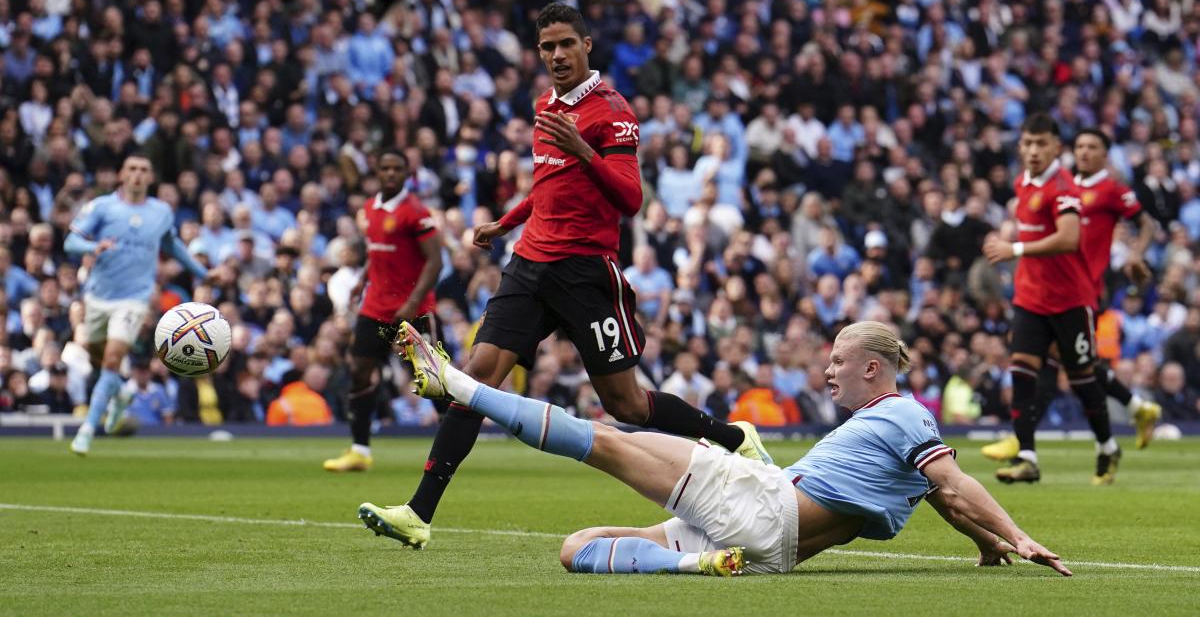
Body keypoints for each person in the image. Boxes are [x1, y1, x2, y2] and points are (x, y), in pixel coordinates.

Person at [364, 3, 771, 550]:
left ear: (587, 46)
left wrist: (584, 149)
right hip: (530, 264)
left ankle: (732, 436)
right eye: (547, 47)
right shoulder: (545, 106)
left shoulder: (613, 112)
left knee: (625, 406)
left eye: (565, 45)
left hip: (585, 274)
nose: (556, 55)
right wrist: (505, 222)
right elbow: (546, 185)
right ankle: (418, 513)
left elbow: (630, 199)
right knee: (474, 380)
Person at [359, 320, 1071, 578]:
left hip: (762, 502)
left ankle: (454, 380)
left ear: (873, 369)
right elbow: (940, 494)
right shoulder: (903, 433)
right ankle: (696, 564)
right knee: (575, 547)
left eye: (837, 360)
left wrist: (1016, 532)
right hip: (767, 547)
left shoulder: (904, 414)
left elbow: (955, 483)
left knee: (605, 439)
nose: (826, 370)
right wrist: (985, 548)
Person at [981, 128, 1163, 463]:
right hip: (1050, 290)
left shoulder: (1110, 189)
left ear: (1105, 154)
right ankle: (1130, 416)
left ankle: (1027, 441)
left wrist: (1136, 254)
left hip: (1084, 288)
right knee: (1065, 365)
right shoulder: (1060, 183)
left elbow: (1147, 224)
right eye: (1080, 146)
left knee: (1063, 367)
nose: (1084, 152)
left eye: (1092, 147)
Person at [983, 114, 1119, 485]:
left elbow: (1069, 238)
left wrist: (1014, 247)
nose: (1032, 151)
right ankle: (1027, 456)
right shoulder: (1022, 183)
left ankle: (1107, 445)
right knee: (1022, 370)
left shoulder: (1063, 188)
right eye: (1027, 143)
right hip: (1030, 297)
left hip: (1070, 300)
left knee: (1082, 378)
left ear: (1056, 147)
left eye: (1041, 143)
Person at [65, 155, 215, 456]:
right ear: (122, 174)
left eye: (143, 170)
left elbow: (171, 245)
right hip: (97, 296)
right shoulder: (102, 207)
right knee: (99, 362)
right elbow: (70, 243)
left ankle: (87, 430)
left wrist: (204, 273)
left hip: (134, 299)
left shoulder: (160, 211)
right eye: (132, 169)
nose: (137, 175)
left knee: (111, 361)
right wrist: (93, 247)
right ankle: (120, 396)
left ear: (151, 178)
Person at [322, 148, 443, 472]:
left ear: (406, 174)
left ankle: (452, 443)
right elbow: (377, 255)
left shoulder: (416, 212)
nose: (390, 173)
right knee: (360, 371)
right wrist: (362, 281)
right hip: (376, 308)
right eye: (385, 168)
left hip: (412, 310)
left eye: (396, 169)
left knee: (433, 381)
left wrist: (412, 302)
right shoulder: (370, 208)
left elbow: (435, 262)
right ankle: (360, 450)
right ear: (377, 172)